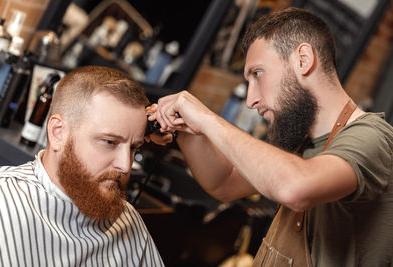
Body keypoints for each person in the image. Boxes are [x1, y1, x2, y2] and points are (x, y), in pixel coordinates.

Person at [149, 7, 393, 267]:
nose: (252, 100)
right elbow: (223, 184)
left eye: (257, 74)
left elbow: (296, 187)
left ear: (303, 60)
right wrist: (187, 130)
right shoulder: (300, 140)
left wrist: (207, 119)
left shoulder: (371, 137)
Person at [0, 66, 164, 267]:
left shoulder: (129, 222)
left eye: (134, 147)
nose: (125, 165)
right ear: (58, 133)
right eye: (109, 142)